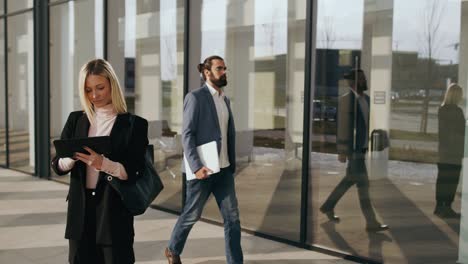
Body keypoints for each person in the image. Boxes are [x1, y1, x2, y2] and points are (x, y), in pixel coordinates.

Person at [51, 58, 149, 264]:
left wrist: (102, 164)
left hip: (114, 213)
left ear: (112, 84)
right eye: (88, 90)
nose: (94, 95)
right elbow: (57, 166)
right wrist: (70, 159)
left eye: (100, 87)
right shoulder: (75, 120)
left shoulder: (134, 125)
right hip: (80, 214)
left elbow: (134, 171)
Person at [164, 55, 243, 264]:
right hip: (203, 171)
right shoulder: (195, 97)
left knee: (233, 220)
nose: (224, 72)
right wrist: (196, 166)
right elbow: (187, 134)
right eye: (220, 68)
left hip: (224, 171)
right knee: (191, 215)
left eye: (225, 68)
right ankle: (173, 249)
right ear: (207, 72)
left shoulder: (224, 100)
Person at [319, 68, 389, 232]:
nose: (365, 81)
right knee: (363, 186)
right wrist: (342, 150)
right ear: (353, 82)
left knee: (349, 180)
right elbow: (342, 127)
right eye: (362, 79)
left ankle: (327, 206)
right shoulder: (346, 100)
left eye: (364, 78)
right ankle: (371, 222)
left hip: (363, 148)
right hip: (353, 151)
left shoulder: (367, 100)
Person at [435, 83, 465, 218]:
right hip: (455, 152)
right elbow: (461, 131)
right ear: (457, 95)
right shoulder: (457, 111)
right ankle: (447, 207)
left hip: (443, 151)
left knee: (442, 179)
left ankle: (439, 206)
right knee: (452, 181)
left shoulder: (441, 110)